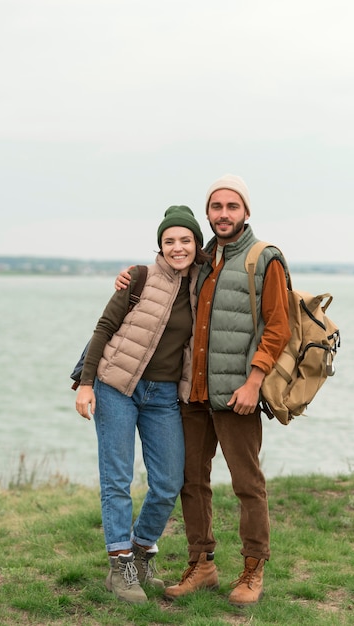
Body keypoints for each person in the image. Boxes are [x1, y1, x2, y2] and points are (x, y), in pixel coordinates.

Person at [115, 175, 291, 606]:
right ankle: (203, 565)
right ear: (208, 214)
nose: (224, 214)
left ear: (245, 212)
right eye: (216, 207)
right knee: (191, 482)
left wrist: (253, 382)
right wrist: (128, 277)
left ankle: (253, 569)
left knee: (247, 484)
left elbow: (278, 327)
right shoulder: (200, 257)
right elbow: (162, 280)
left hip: (238, 396)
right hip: (191, 395)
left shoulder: (263, 258)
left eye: (232, 206)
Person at [75, 205, 207, 604]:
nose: (177, 247)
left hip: (164, 395)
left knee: (168, 482)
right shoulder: (139, 277)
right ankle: (120, 568)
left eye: (185, 240)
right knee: (117, 480)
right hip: (116, 386)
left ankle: (142, 548)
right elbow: (104, 328)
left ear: (196, 244)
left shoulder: (203, 285)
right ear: (160, 245)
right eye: (170, 240)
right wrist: (85, 384)